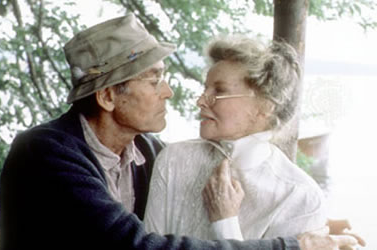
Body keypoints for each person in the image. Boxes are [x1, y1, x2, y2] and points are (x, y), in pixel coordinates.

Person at [0, 13, 360, 250]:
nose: (169, 91)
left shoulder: (150, 152)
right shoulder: (44, 153)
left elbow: (208, 171)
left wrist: (316, 222)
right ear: (107, 96)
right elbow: (137, 246)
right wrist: (294, 246)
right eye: (154, 80)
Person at [143, 35, 357, 244]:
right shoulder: (174, 159)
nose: (201, 101)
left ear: (265, 106)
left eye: (219, 91)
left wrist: (225, 223)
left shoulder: (300, 196)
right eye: (204, 89)